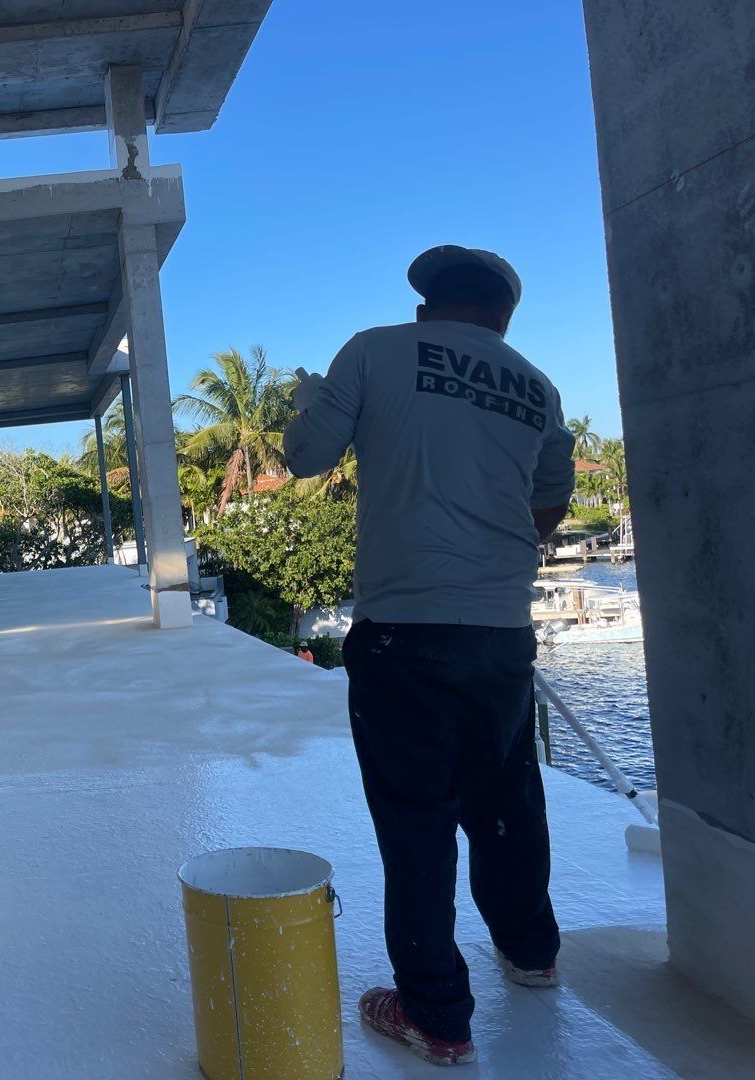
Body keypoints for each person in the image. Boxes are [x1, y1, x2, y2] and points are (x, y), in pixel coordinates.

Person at [284, 246, 575, 1067]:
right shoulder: (536, 385)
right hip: (501, 633)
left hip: (406, 632)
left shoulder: (376, 348)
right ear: (503, 319)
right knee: (508, 799)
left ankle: (437, 1017)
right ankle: (531, 952)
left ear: (426, 311)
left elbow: (306, 456)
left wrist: (306, 398)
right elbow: (550, 502)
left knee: (416, 823)